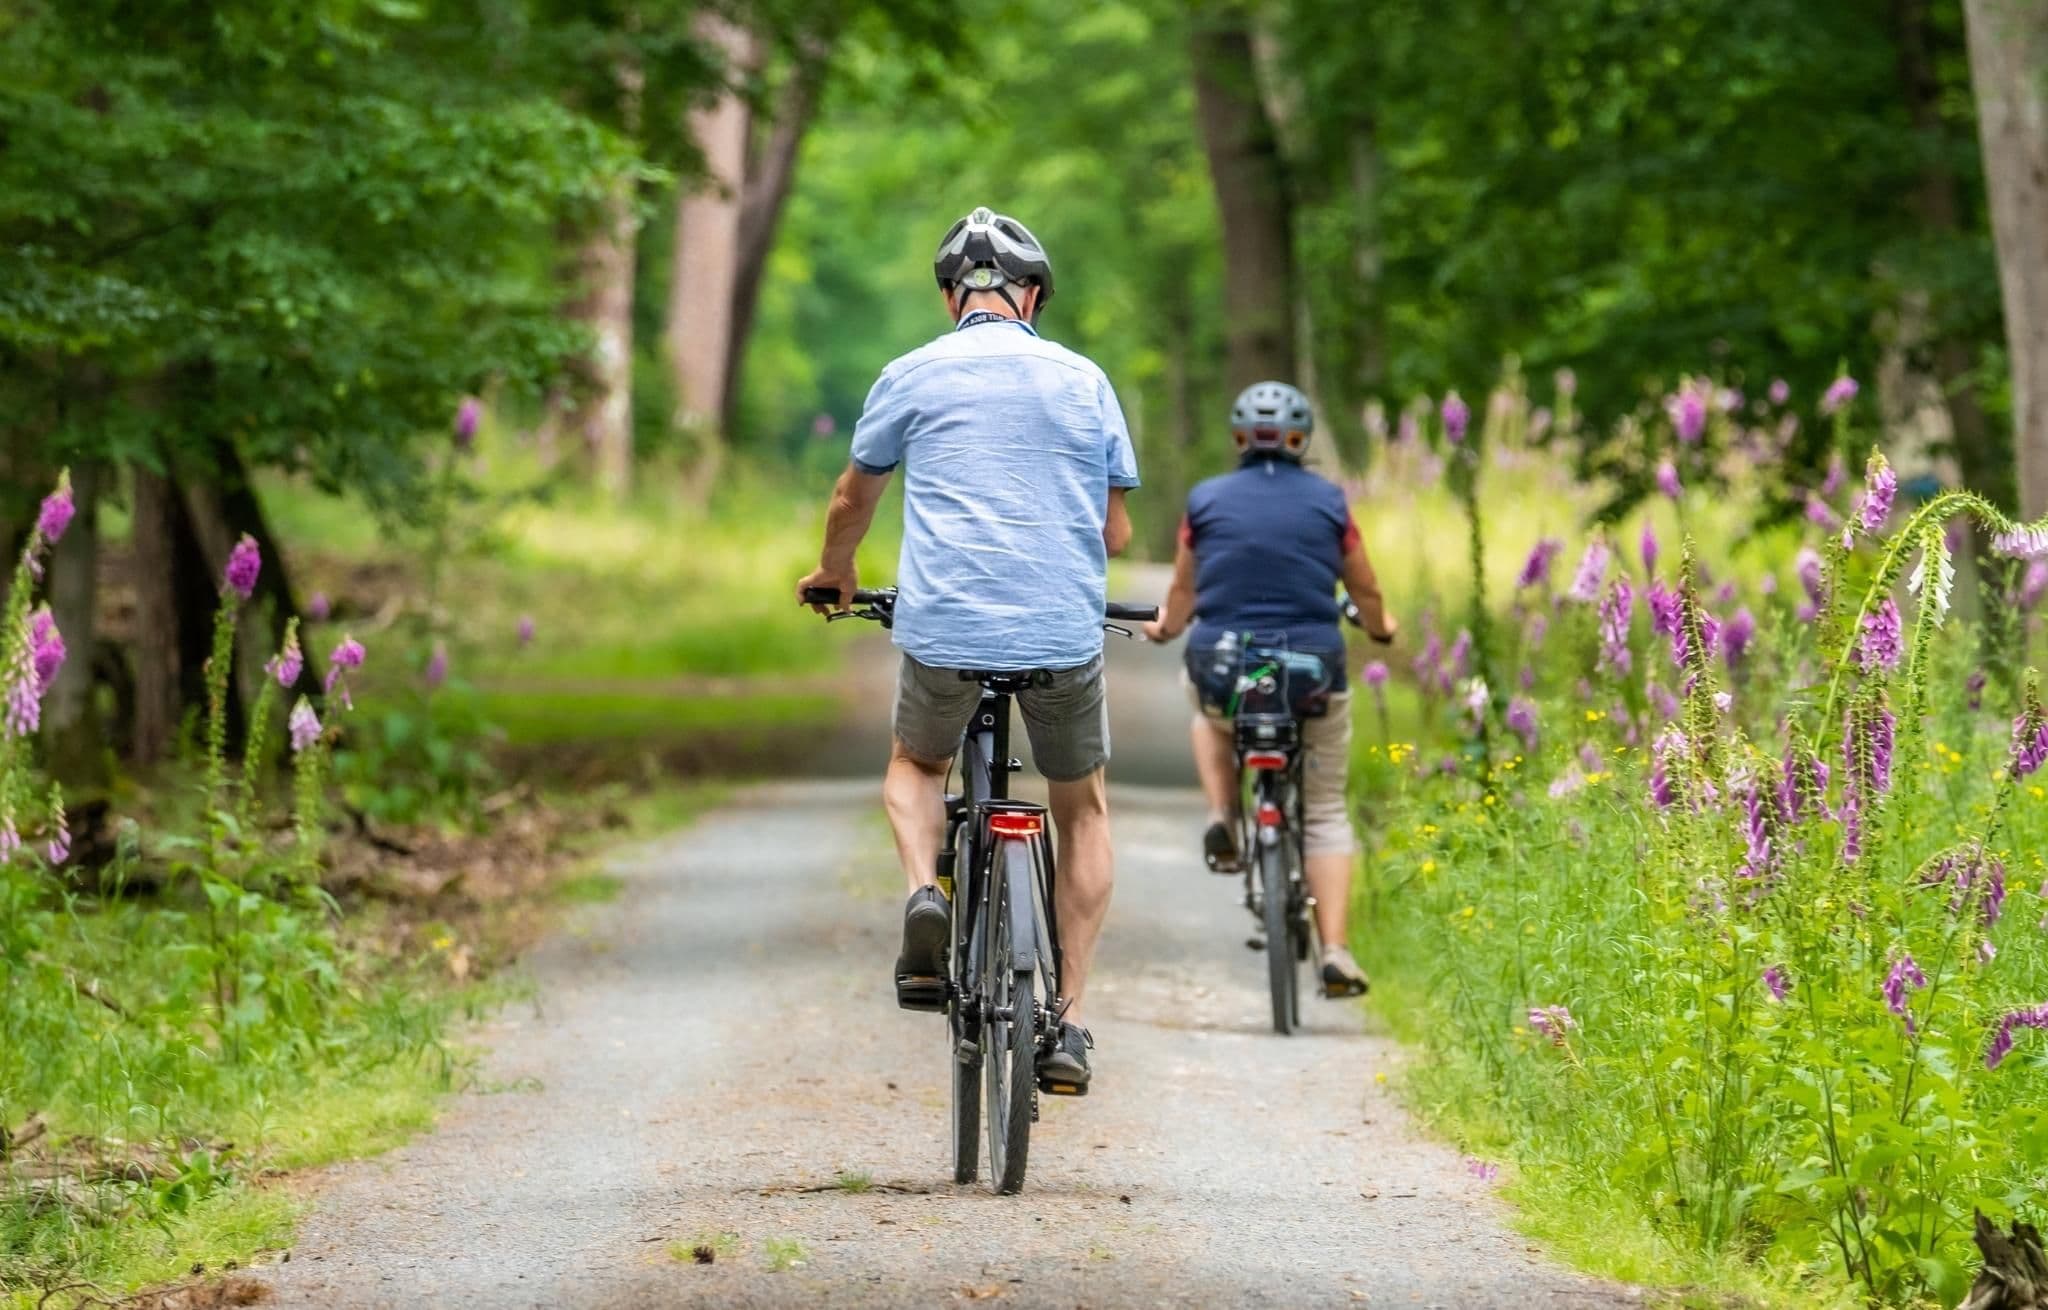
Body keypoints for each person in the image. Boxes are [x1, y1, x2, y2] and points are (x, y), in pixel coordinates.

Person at [796, 207, 1138, 1093]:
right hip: (1062, 631)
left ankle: (925, 893)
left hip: (945, 627)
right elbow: (1117, 527)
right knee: (1084, 807)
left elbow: (850, 499)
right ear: (1032, 296)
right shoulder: (1084, 379)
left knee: (916, 763)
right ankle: (1068, 1022)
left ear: (953, 297)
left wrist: (837, 573)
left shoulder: (910, 373)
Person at [1142, 380, 1396, 998]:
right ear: (1300, 438)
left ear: (1238, 438)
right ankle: (1335, 949)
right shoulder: (1331, 502)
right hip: (1311, 670)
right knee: (1328, 810)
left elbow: (1183, 591)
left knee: (1205, 710)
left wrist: (1168, 627)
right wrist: (1383, 628)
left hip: (1225, 666)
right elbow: (1363, 587)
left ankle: (1223, 813)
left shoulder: (1204, 500)